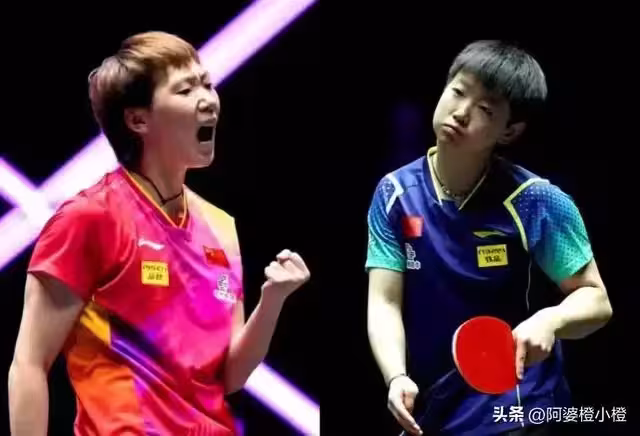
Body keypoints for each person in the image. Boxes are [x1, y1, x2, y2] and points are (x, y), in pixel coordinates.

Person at [8, 31, 310, 436]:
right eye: (185, 90)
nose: (208, 99)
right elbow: (29, 363)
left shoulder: (220, 227)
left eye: (207, 84)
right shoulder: (90, 218)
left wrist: (272, 301)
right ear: (138, 120)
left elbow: (230, 376)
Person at [365, 40, 612, 435]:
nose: (461, 112)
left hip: (516, 405)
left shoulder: (535, 201)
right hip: (438, 402)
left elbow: (596, 299)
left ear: (509, 131)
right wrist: (396, 376)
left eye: (485, 110)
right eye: (457, 92)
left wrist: (552, 319)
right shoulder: (394, 193)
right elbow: (385, 301)